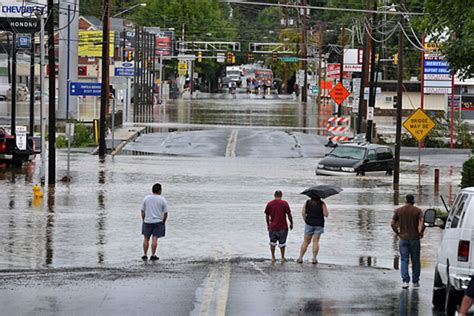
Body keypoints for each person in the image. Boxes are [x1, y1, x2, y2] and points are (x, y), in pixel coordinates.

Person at [391, 194, 424, 289]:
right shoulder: (417, 211)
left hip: (403, 238)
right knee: (415, 260)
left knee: (404, 260)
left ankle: (405, 281)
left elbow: (392, 224)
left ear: (405, 200)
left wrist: (398, 233)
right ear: (413, 201)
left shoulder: (398, 211)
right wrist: (420, 232)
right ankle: (415, 281)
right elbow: (422, 221)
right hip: (414, 238)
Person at [141, 183, 168, 261]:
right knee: (155, 238)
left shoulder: (146, 198)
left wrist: (143, 220)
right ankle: (153, 255)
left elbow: (142, 211)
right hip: (158, 221)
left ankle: (145, 254)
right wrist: (163, 222)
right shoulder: (162, 199)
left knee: (146, 238)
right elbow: (165, 213)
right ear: (160, 191)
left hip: (147, 221)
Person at [297, 196, 328, 264]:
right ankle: (314, 258)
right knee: (315, 241)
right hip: (319, 224)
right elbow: (326, 214)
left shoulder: (307, 202)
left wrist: (306, 220)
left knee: (306, 241)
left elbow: (303, 213)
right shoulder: (322, 203)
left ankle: (300, 258)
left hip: (309, 223)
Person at [264, 190, 293, 263]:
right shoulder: (284, 203)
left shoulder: (269, 204)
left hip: (273, 227)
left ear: (274, 195)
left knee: (272, 243)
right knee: (282, 243)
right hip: (283, 226)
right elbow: (289, 214)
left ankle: (273, 257)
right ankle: (282, 257)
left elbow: (267, 215)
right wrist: (291, 223)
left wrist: (268, 225)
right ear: (281, 195)